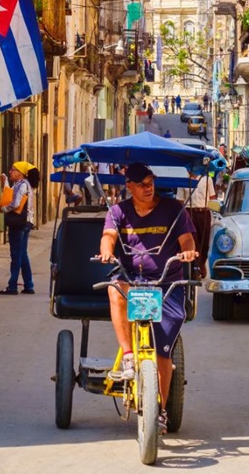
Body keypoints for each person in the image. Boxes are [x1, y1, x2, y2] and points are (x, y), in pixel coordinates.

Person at [98, 163, 198, 433]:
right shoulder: (118, 211)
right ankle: (129, 355)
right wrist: (107, 251)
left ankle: (161, 411)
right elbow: (108, 237)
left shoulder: (173, 209)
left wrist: (188, 252)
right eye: (141, 183)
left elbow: (187, 240)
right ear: (128, 186)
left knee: (164, 349)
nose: (148, 187)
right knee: (113, 288)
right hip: (133, 280)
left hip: (167, 283)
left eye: (150, 181)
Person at [0, 161, 41, 295]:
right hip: (26, 222)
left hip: (19, 223)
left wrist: (3, 209)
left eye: (13, 169)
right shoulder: (24, 185)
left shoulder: (22, 185)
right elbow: (10, 194)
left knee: (16, 255)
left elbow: (15, 203)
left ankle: (12, 286)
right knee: (23, 254)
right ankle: (28, 285)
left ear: (20, 173)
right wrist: (5, 183)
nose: (10, 171)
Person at [182, 171, 216, 276]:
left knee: (205, 242)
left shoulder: (207, 179)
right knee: (193, 240)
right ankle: (197, 267)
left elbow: (212, 197)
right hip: (189, 212)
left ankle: (202, 263)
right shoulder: (183, 180)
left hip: (204, 212)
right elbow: (180, 200)